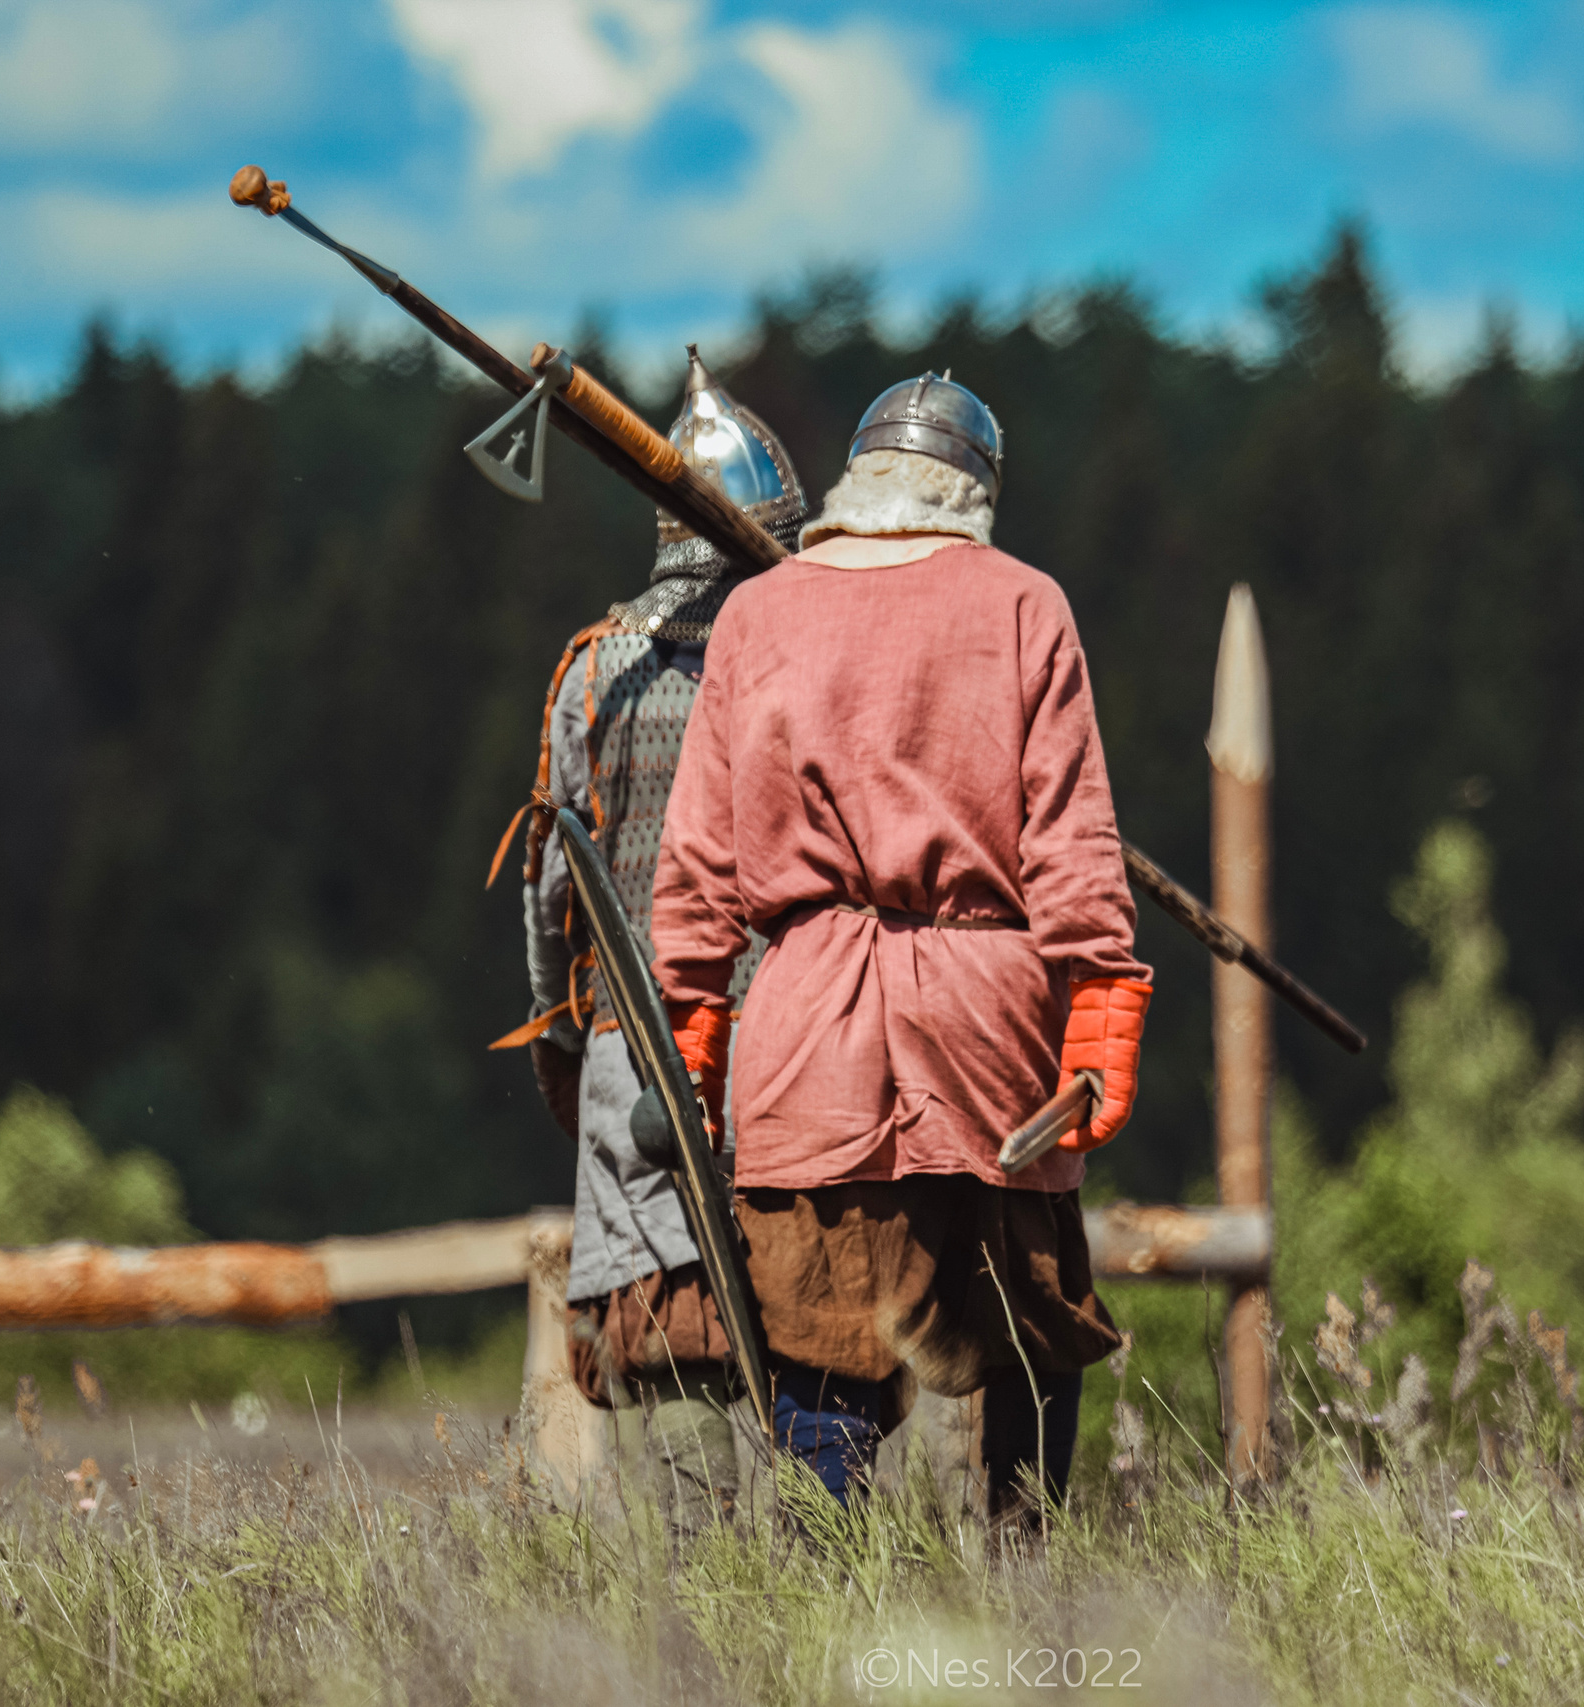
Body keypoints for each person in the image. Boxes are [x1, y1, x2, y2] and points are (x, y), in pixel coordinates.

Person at [651, 373, 1153, 1522]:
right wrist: (1102, 1003)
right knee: (1025, 1333)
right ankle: (1029, 1591)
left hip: (805, 1033)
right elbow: (1073, 844)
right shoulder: (1025, 602)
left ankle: (827, 1602)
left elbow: (697, 864)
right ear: (973, 490)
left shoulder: (757, 614)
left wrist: (692, 1014)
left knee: (822, 1334)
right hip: (993, 1033)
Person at [492, 347, 805, 1529]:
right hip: (789, 1039)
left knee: (680, 1326)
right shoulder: (795, 661)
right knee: (798, 1314)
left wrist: (565, 1042)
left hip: (642, 1046)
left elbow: (549, 892)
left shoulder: (593, 672)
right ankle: (800, 1584)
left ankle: (713, 1590)